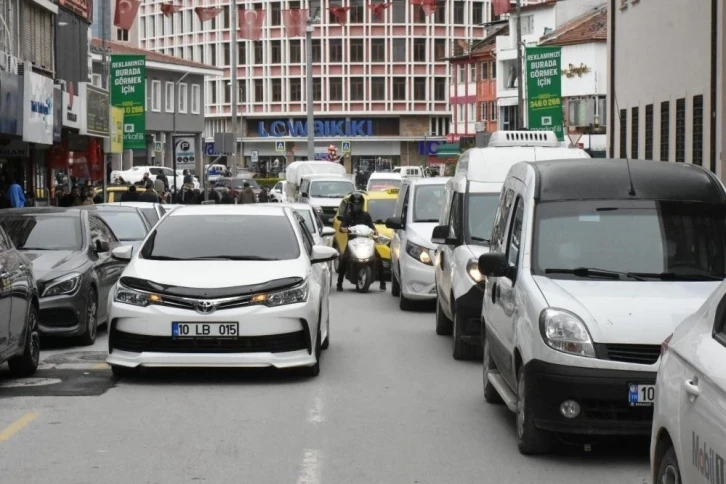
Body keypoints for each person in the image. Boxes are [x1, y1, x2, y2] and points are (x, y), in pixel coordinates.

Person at [336, 192, 386, 292]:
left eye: (359, 204)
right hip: (353, 242)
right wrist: (344, 229)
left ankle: (382, 282)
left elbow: (372, 227)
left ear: (362, 205)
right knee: (344, 259)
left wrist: (375, 232)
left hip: (366, 241)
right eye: (355, 204)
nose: (357, 206)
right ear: (351, 205)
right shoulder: (348, 216)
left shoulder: (366, 216)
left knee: (378, 258)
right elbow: (342, 227)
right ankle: (339, 283)